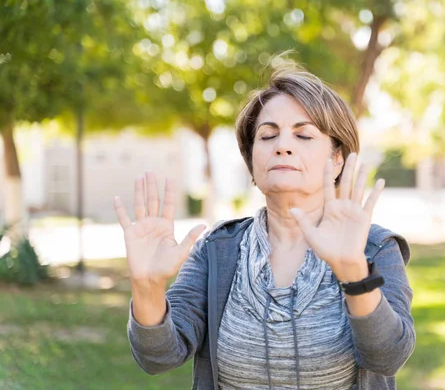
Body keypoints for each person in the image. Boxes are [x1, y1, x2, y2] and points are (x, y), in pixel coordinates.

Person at [113, 63, 416, 390]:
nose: (282, 145)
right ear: (252, 160)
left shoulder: (376, 248)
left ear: (337, 159)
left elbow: (388, 356)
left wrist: (354, 272)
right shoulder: (218, 249)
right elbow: (158, 357)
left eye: (303, 134)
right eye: (268, 135)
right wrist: (147, 288)